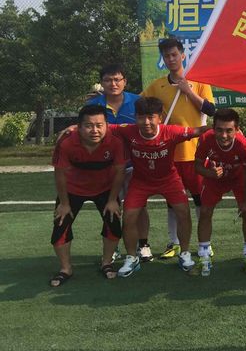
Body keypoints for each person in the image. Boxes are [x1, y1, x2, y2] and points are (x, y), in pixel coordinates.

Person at [111, 97, 209, 278]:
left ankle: (185, 253)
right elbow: (103, 127)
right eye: (141, 117)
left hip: (168, 179)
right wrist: (73, 129)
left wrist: (225, 128)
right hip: (140, 181)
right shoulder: (128, 130)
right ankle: (132, 257)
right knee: (129, 216)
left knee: (183, 211)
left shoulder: (171, 132)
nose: (146, 122)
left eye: (151, 117)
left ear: (160, 118)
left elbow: (198, 130)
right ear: (135, 117)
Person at [142, 38, 215, 259]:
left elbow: (211, 110)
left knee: (200, 200)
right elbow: (139, 105)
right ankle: (173, 243)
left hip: (195, 153)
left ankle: (204, 243)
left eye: (174, 54)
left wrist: (188, 91)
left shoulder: (199, 82)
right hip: (169, 153)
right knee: (172, 201)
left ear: (183, 55)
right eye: (166, 56)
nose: (171, 59)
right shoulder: (157, 86)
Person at [49, 104, 126, 286]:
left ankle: (106, 263)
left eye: (99, 125)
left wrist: (112, 200)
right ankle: (65, 269)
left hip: (105, 188)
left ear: (107, 125)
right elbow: (60, 174)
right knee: (60, 226)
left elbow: (120, 171)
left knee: (114, 224)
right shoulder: (66, 142)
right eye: (89, 126)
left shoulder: (115, 141)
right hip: (73, 189)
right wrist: (64, 203)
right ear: (79, 126)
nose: (95, 130)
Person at [87, 63, 152, 262]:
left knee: (139, 206)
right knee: (111, 206)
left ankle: (143, 245)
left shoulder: (138, 102)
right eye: (108, 80)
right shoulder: (93, 105)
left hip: (134, 164)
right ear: (102, 83)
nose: (113, 84)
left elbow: (149, 127)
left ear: (125, 81)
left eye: (117, 79)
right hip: (106, 166)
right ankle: (113, 245)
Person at [194, 108, 246, 276]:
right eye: (219, 130)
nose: (223, 135)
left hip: (238, 178)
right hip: (215, 177)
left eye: (229, 130)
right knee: (205, 211)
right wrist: (210, 173)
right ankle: (204, 257)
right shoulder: (206, 139)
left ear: (237, 129)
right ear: (213, 128)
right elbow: (197, 166)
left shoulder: (244, 146)